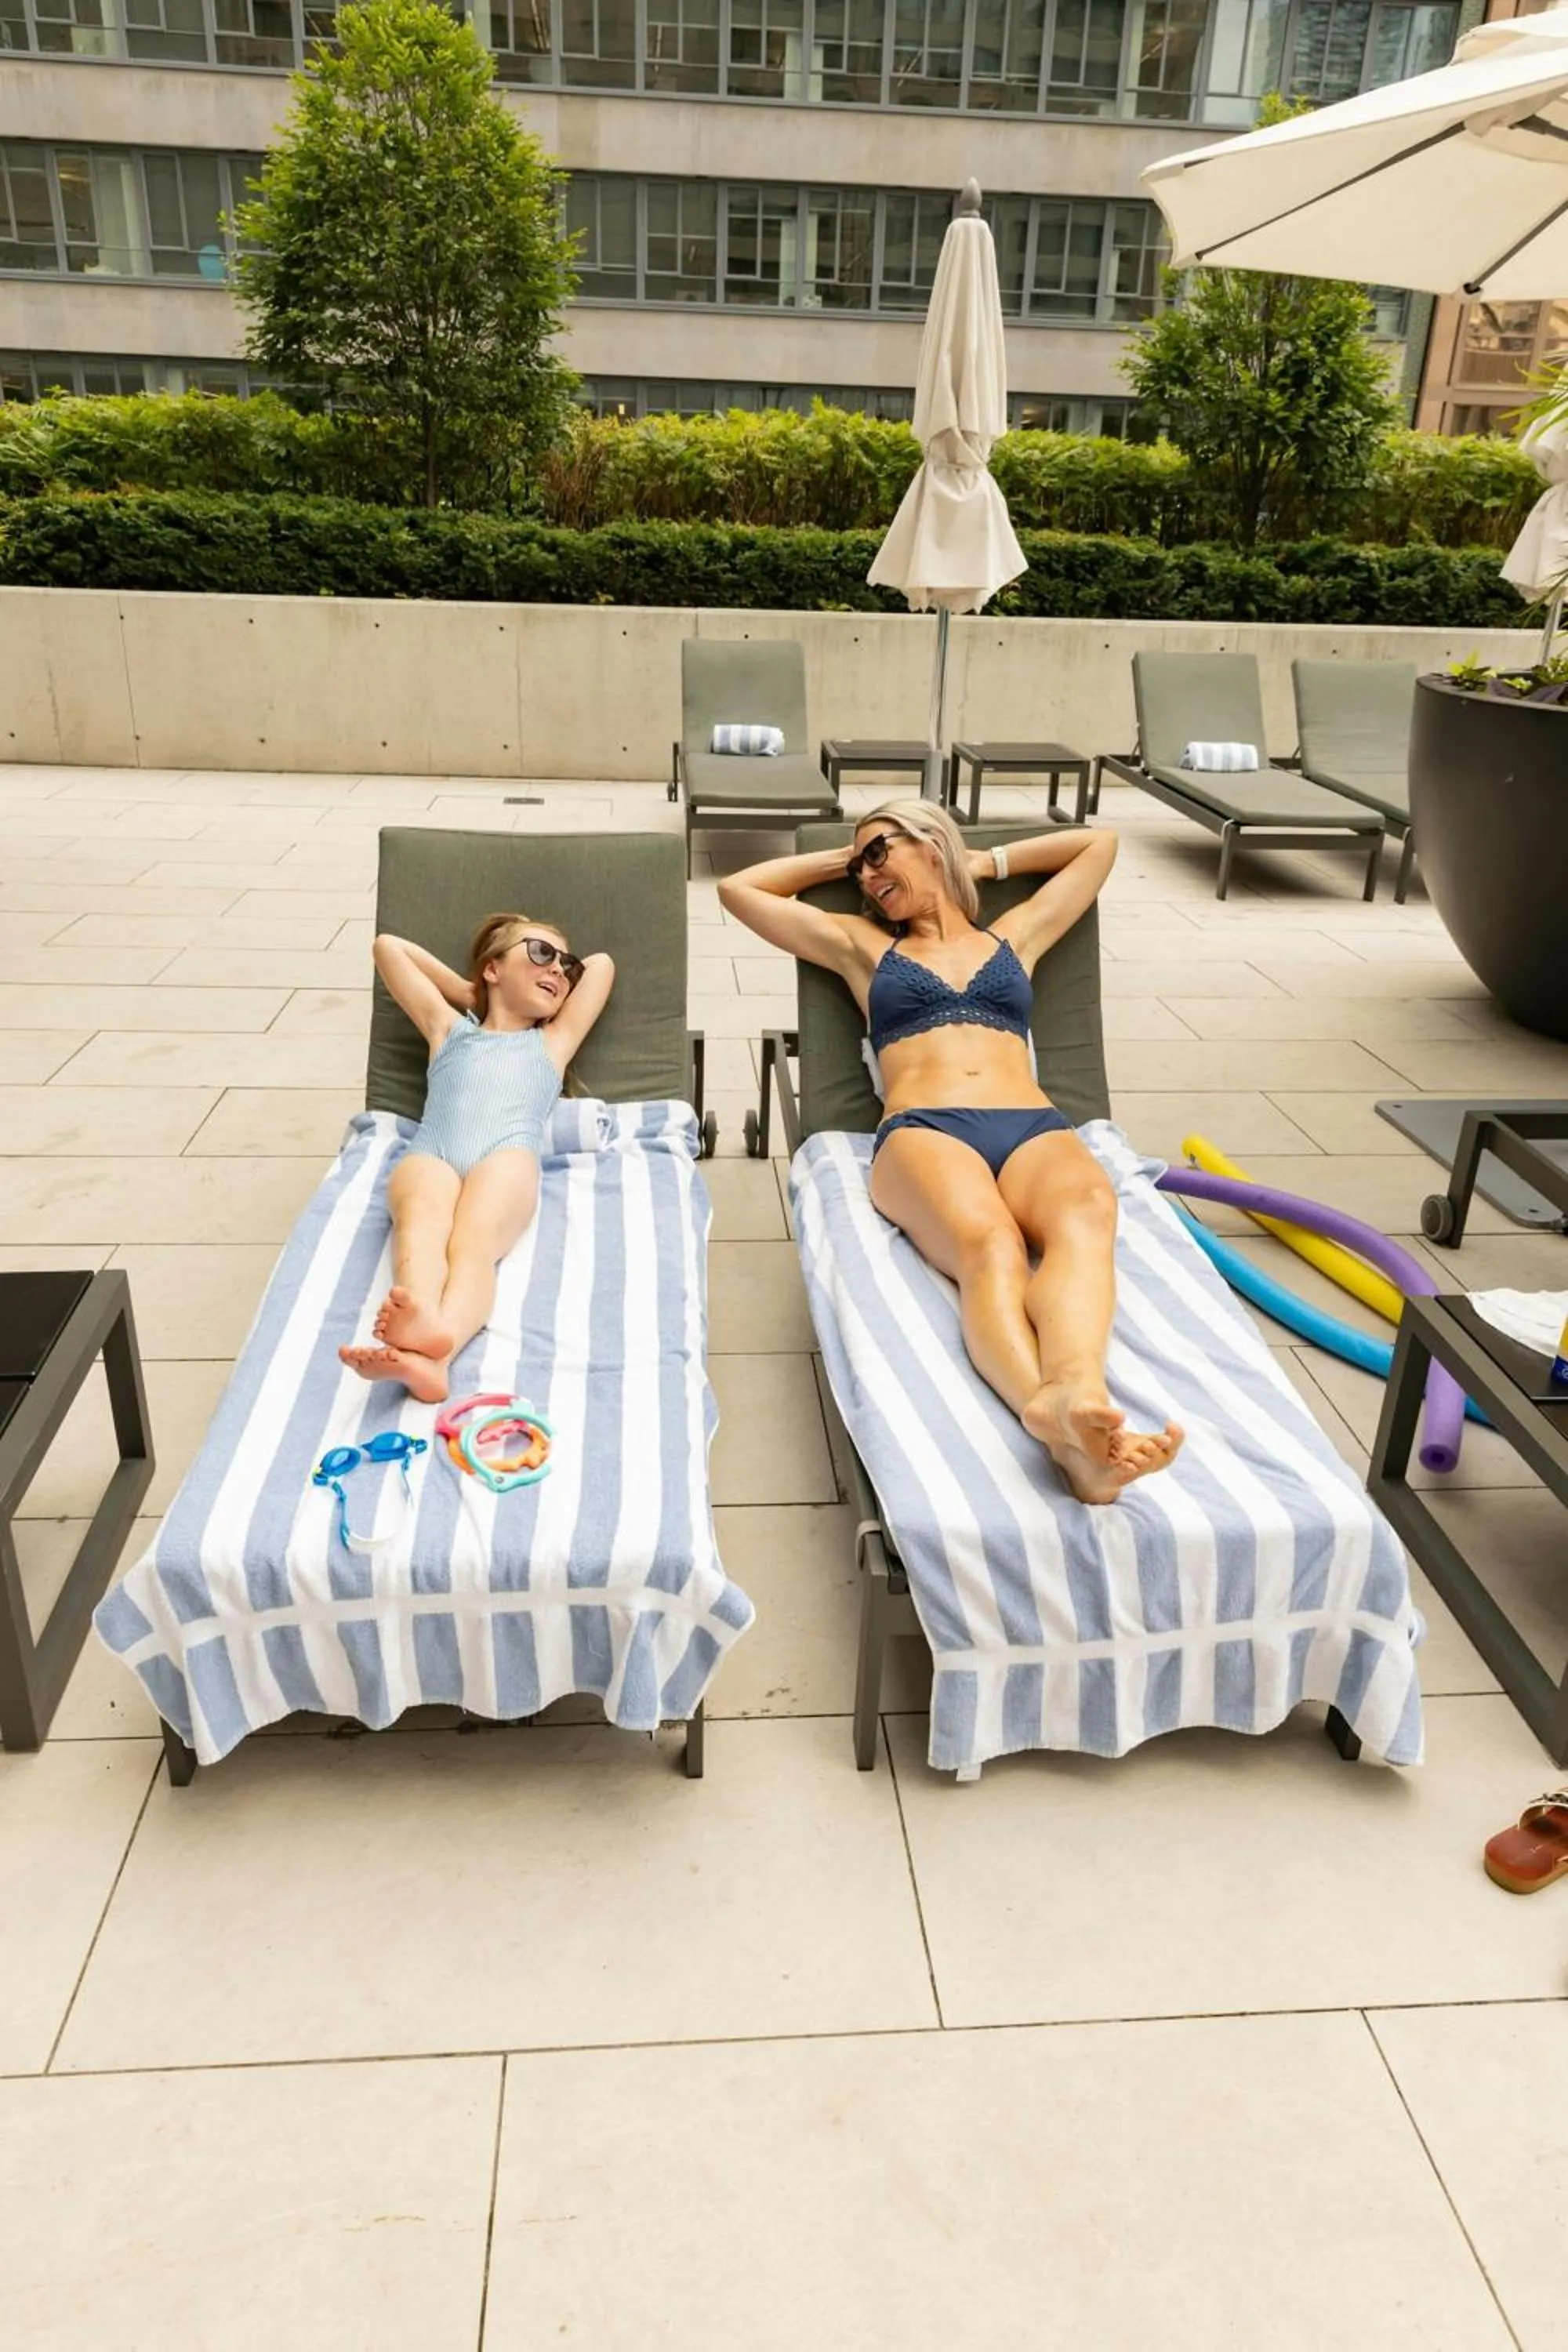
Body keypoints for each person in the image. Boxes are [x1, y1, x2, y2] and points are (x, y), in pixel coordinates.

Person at [719, 802, 1182, 1504]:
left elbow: (1100, 842)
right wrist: (843, 862)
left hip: (1034, 1127)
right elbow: (740, 890)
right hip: (926, 1130)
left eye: (880, 853)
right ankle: (1053, 1419)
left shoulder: (1015, 937)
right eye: (861, 867)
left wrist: (984, 862)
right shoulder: (863, 947)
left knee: (1086, 1219)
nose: (869, 877)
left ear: (931, 844)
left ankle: (1079, 1398)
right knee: (990, 1244)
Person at [339, 913, 614, 1403]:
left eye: (563, 966)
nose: (558, 971)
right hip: (434, 1152)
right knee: (420, 1227)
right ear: (493, 969)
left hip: (505, 1154)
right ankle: (422, 1322)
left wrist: (532, 967)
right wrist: (469, 994)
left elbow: (602, 964)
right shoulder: (447, 1029)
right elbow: (387, 946)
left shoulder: (553, 1042)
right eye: (540, 954)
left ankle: (435, 1356)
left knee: (471, 1246)